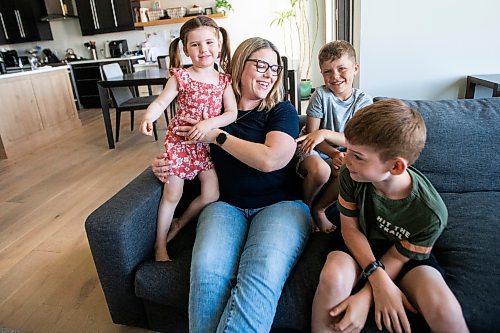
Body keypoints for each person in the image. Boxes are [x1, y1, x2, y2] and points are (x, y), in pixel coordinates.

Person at [152, 37, 311, 332]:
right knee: (206, 273)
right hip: (225, 206)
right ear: (239, 64)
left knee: (260, 274)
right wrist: (163, 163)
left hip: (281, 206)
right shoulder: (210, 109)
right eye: (261, 65)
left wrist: (218, 136)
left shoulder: (280, 111)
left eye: (274, 69)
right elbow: (179, 144)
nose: (269, 74)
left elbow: (272, 159)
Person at [311, 99, 469, 333]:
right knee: (333, 278)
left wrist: (367, 295)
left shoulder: (431, 214)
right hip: (358, 242)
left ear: (395, 167)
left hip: (402, 256)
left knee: (443, 307)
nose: (346, 159)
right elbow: (350, 230)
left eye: (358, 155)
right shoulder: (350, 173)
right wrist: (378, 280)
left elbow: (399, 256)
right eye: (349, 149)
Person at [140, 16, 237, 261]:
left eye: (209, 42)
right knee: (173, 193)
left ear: (219, 45)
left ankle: (180, 223)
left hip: (205, 145)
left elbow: (231, 113)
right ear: (185, 49)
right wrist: (148, 117)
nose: (203, 49)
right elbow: (162, 101)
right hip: (181, 142)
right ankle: (160, 245)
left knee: (212, 193)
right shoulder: (181, 77)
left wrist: (209, 123)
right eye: (195, 45)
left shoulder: (224, 81)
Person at [296, 40, 372, 234]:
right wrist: (331, 150)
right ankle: (305, 208)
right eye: (328, 71)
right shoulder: (320, 96)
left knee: (350, 171)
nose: (335, 76)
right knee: (321, 170)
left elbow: (359, 141)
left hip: (345, 152)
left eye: (341, 69)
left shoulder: (363, 101)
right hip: (312, 148)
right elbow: (312, 137)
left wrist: (327, 136)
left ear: (355, 69)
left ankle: (319, 209)